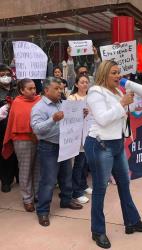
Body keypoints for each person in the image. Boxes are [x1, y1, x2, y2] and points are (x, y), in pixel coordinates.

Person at [84, 60, 142, 249]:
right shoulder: (96, 91)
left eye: (119, 72)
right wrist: (122, 104)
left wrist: (134, 102)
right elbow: (103, 119)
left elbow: (123, 114)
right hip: (100, 144)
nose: (118, 76)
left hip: (117, 144)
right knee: (100, 189)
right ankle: (98, 231)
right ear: (104, 73)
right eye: (113, 72)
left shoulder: (118, 91)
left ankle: (132, 221)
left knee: (124, 184)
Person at [31, 77, 83, 227]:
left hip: (65, 145)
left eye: (61, 88)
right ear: (46, 90)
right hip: (49, 147)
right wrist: (52, 119)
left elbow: (70, 122)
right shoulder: (39, 107)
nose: (60, 91)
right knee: (48, 181)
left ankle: (66, 201)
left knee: (67, 176)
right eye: (56, 89)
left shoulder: (63, 104)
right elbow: (36, 128)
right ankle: (42, 211)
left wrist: (81, 114)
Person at [2, 79, 41, 212]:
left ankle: (37, 194)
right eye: (29, 89)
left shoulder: (39, 100)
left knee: (37, 168)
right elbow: (18, 123)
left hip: (39, 139)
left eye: (34, 88)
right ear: (21, 90)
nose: (33, 91)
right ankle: (27, 199)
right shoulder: (17, 103)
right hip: (22, 140)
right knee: (25, 170)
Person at [68, 75, 92, 204]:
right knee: (78, 164)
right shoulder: (72, 98)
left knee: (85, 163)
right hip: (77, 136)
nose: (84, 84)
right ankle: (76, 191)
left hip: (89, 134)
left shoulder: (91, 98)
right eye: (82, 82)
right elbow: (69, 115)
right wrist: (80, 114)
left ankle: (83, 185)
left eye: (86, 82)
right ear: (76, 84)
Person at [0, 64, 19, 192]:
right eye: (2, 75)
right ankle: (6, 180)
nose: (6, 77)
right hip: (2, 128)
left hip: (17, 127)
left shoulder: (17, 89)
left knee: (19, 153)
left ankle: (18, 176)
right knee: (5, 153)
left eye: (8, 74)